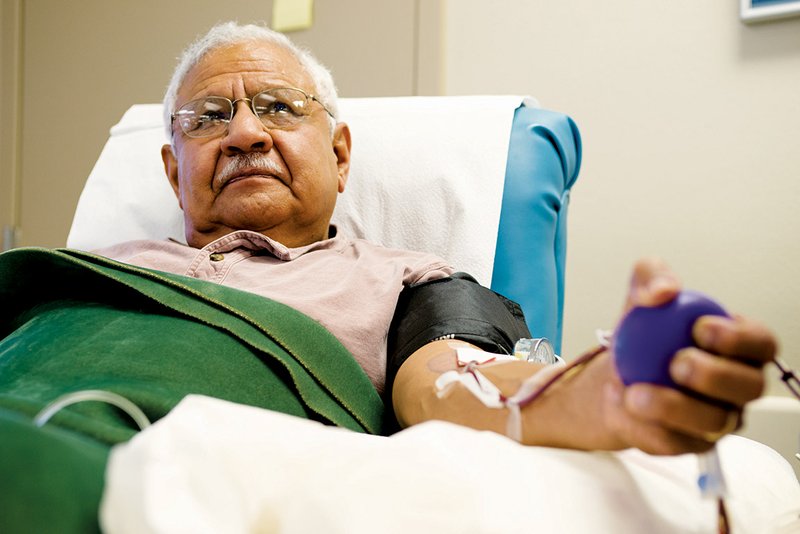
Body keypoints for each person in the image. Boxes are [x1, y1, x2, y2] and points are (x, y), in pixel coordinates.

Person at [94, 21, 776, 456]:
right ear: (171, 169)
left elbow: (454, 383)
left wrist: (591, 396)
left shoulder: (402, 280)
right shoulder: (85, 270)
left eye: (277, 107)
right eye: (209, 117)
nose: (244, 133)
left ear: (339, 156)